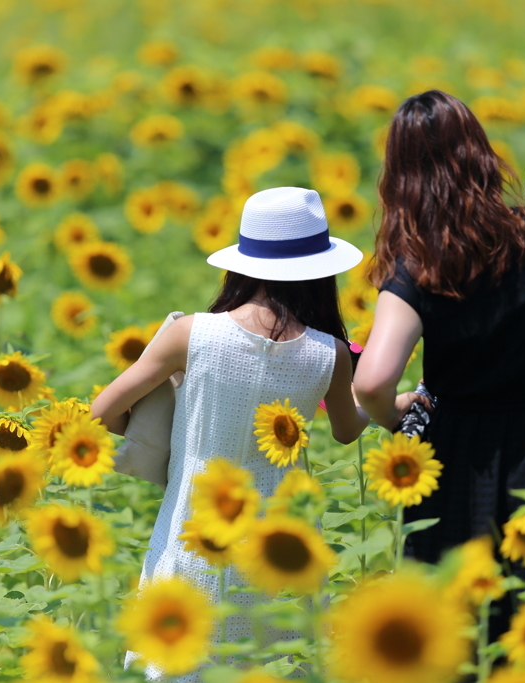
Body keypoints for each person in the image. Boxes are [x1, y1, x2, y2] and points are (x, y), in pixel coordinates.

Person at [92, 187, 414, 681]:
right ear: (320, 270)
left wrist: (173, 434)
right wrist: (396, 402)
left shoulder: (192, 334)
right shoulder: (329, 353)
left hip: (194, 539)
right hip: (279, 553)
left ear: (242, 262)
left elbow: (104, 411)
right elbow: (349, 429)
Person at [353, 90, 525, 637]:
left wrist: (394, 413)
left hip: (462, 459)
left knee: (464, 626)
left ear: (400, 180)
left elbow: (371, 380)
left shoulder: (421, 263)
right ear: (482, 156)